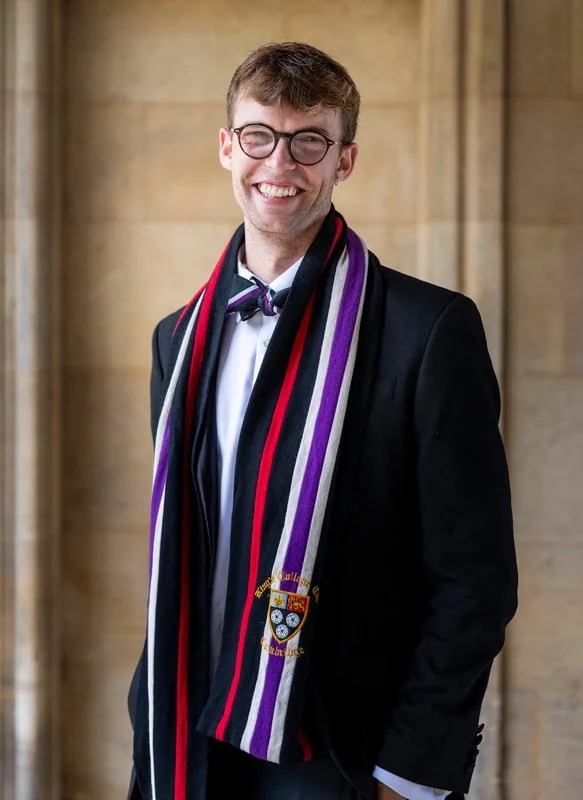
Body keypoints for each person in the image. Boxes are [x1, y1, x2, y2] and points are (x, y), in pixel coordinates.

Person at [126, 42, 517, 800]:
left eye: (310, 140)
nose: (281, 162)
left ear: (344, 160)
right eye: (258, 136)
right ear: (226, 147)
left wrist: (408, 773)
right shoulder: (177, 338)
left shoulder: (428, 328)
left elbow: (474, 579)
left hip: (338, 750)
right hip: (186, 736)